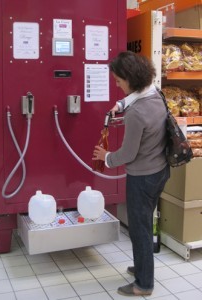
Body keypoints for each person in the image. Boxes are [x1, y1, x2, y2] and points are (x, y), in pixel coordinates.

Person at [92, 51, 170, 296]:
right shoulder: (156, 94)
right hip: (160, 170)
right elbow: (138, 96)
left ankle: (143, 284)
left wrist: (104, 156)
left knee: (140, 229)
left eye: (117, 81)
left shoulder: (136, 113)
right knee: (144, 223)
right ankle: (142, 267)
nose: (116, 85)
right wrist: (121, 104)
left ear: (129, 78)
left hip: (142, 178)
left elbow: (127, 154)